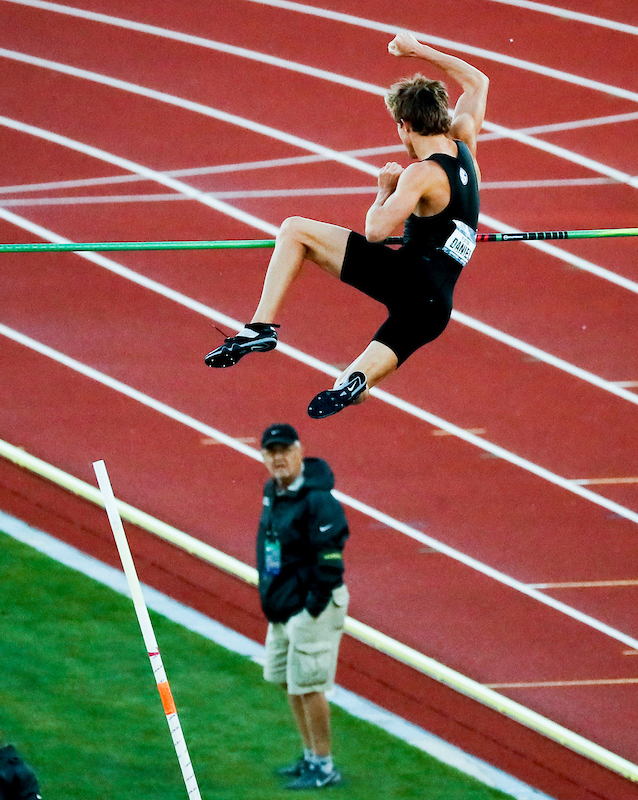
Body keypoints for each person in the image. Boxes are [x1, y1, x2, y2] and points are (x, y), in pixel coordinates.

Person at [205, 32, 489, 419]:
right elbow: (478, 81)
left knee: (294, 230)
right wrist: (419, 51)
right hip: (435, 308)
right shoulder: (465, 141)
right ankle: (354, 383)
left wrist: (383, 191)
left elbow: (374, 231)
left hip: (408, 280)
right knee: (351, 387)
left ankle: (261, 327)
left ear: (405, 125)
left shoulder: (420, 175)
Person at [256, 423, 351, 789]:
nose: (278, 458)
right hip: (283, 604)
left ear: (299, 451)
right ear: (264, 456)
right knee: (288, 680)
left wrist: (310, 607)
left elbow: (330, 563)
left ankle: (324, 766)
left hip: (311, 607)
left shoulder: (318, 500)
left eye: (284, 450)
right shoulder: (274, 491)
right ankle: (310, 756)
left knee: (309, 684)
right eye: (271, 451)